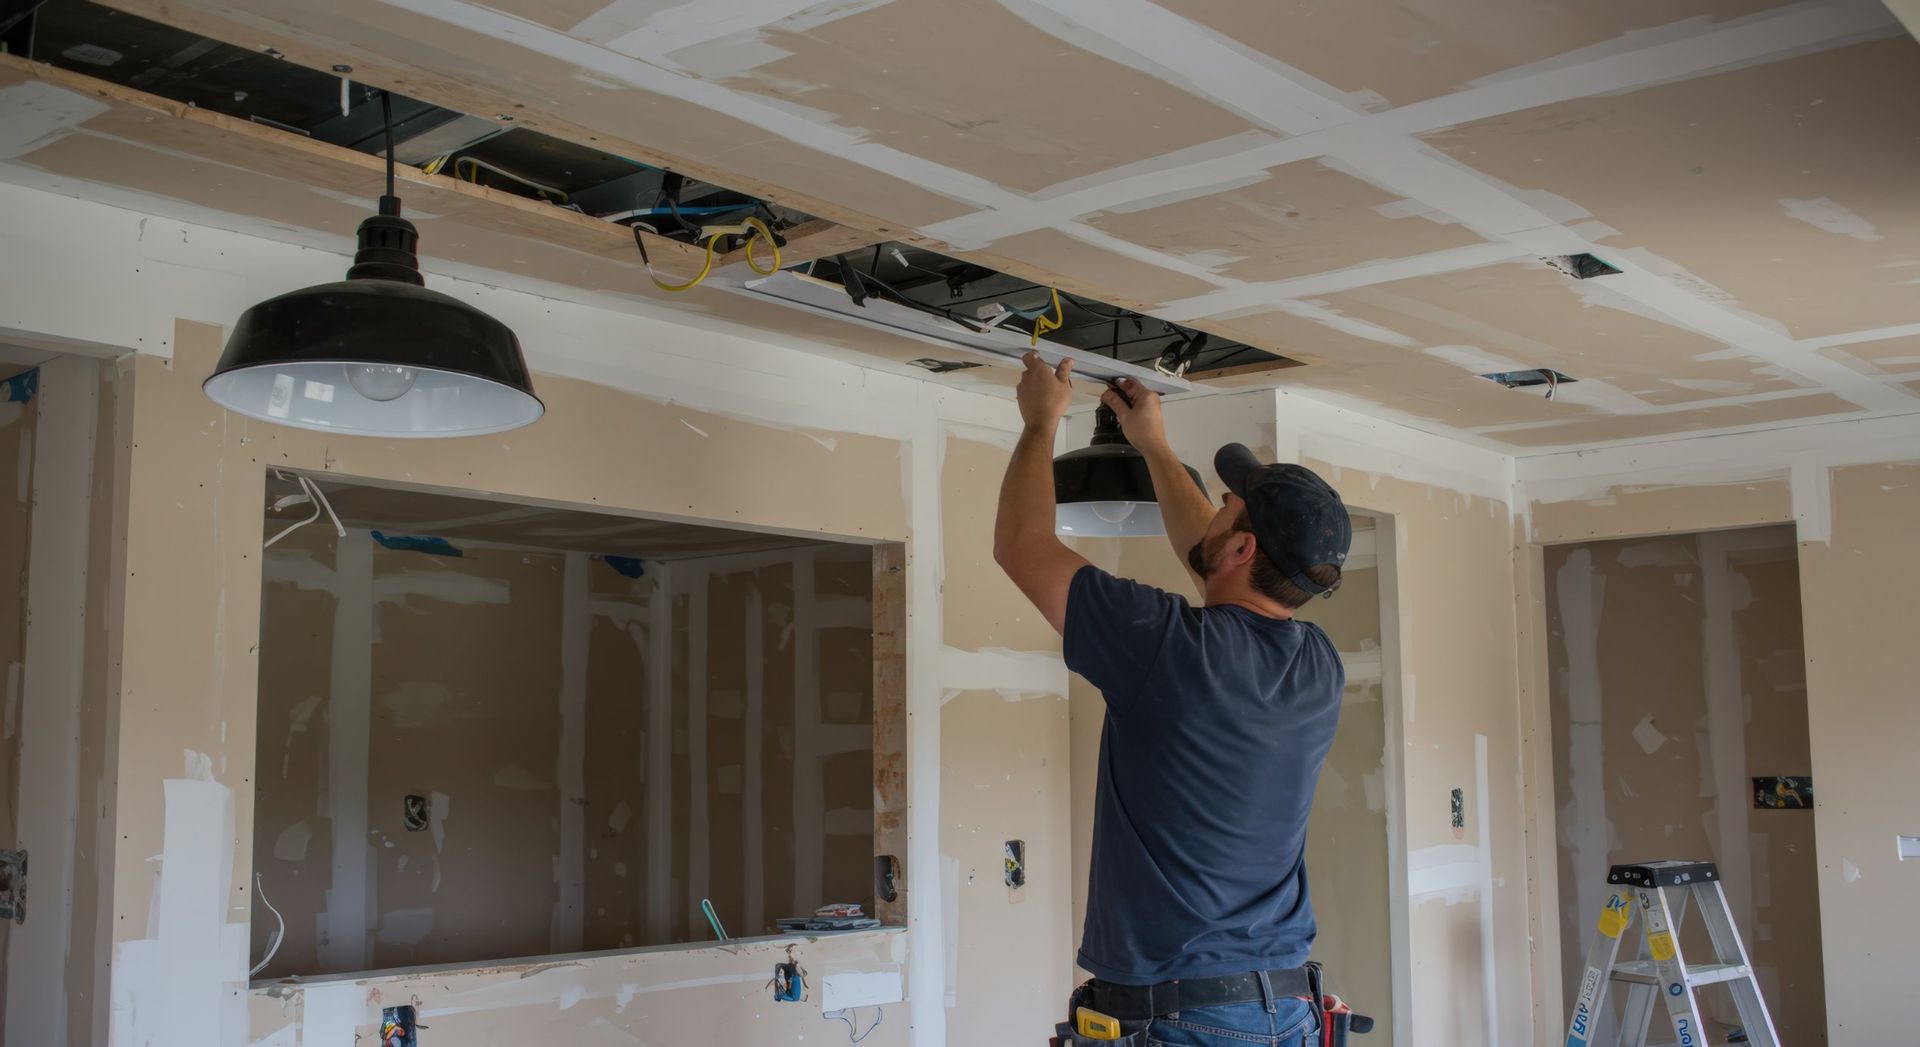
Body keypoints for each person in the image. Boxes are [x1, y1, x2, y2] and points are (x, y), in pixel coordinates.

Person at [992, 352, 1352, 1047]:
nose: (1214, 506)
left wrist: (1040, 422)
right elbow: (1212, 559)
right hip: (1277, 1005)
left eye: (1228, 505)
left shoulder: (1165, 646)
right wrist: (1153, 445)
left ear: (1243, 545)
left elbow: (1022, 545)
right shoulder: (1318, 665)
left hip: (1188, 1018)